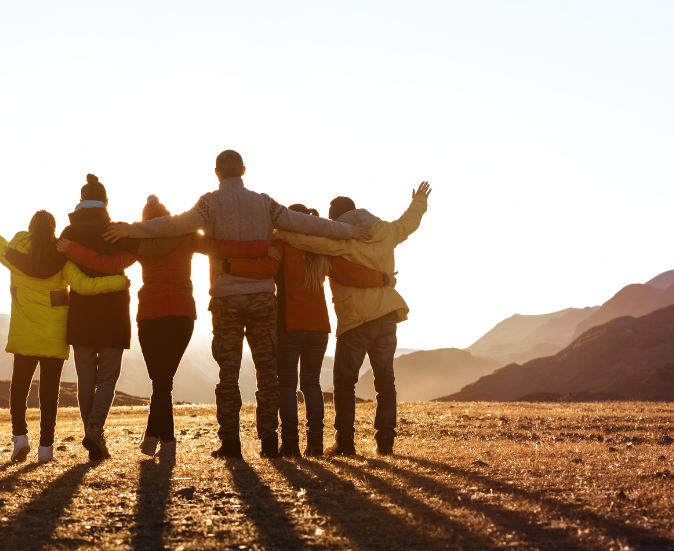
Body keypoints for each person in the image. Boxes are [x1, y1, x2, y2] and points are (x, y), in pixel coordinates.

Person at [103, 150, 372, 459]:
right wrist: (349, 231)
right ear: (243, 170)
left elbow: (173, 225)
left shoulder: (208, 203)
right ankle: (269, 443)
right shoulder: (264, 202)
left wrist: (131, 229)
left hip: (226, 298)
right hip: (261, 297)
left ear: (216, 173)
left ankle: (231, 443)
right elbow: (304, 224)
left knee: (227, 374)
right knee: (267, 373)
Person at [58, 194, 268, 461]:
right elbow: (223, 247)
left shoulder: (141, 241)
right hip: (182, 316)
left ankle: (163, 441)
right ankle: (155, 440)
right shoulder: (187, 235)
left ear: (146, 222)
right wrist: (260, 247)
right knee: (162, 383)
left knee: (161, 383)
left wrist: (72, 249)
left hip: (151, 316)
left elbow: (107, 264)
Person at [0, 195, 129, 464]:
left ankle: (20, 438)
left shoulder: (12, 254)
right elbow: (84, 286)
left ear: (30, 229)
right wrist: (118, 282)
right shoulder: (62, 260)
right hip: (54, 338)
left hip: (24, 335)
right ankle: (46, 448)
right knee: (49, 394)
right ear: (53, 231)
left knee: (19, 389)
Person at [273, 182, 431, 456]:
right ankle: (385, 442)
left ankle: (345, 442)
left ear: (334, 219)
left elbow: (308, 240)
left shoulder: (339, 239)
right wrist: (419, 202)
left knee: (345, 383)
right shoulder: (386, 232)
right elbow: (409, 223)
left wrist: (279, 232)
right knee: (385, 381)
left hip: (356, 320)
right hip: (386, 315)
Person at [226, 204, 397, 457]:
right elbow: (350, 273)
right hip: (319, 327)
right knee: (312, 384)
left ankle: (291, 443)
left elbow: (264, 268)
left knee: (286, 384)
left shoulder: (283, 245)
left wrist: (230, 266)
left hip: (290, 324)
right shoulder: (322, 251)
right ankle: (315, 443)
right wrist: (383, 278)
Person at [58, 174, 138, 462]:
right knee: (106, 378)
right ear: (106, 202)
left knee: (85, 378)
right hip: (114, 312)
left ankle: (91, 432)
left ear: (80, 202)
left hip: (81, 314)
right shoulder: (115, 231)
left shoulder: (68, 232)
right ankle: (95, 429)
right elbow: (133, 253)